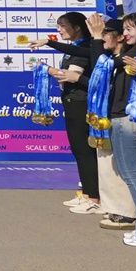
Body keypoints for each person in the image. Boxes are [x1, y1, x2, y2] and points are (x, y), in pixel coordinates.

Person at [86, 11, 136, 247]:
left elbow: (99, 67)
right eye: (124, 29)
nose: (125, 33)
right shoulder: (135, 53)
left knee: (132, 175)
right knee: (131, 175)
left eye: (129, 29)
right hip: (122, 118)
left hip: (126, 119)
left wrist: (95, 37)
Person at [28, 12, 99, 216]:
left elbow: (69, 76)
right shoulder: (74, 48)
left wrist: (46, 69)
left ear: (77, 27)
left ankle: (94, 197)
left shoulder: (84, 47)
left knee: (84, 151)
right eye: (58, 26)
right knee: (78, 150)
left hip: (80, 102)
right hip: (71, 101)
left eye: (63, 25)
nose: (59, 29)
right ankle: (86, 193)